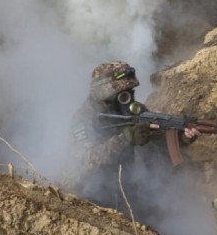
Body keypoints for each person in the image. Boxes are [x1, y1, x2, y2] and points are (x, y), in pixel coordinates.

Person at [64, 61, 199, 210]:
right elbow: (85, 163)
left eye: (130, 92)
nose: (129, 99)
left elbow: (156, 143)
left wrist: (181, 139)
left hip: (129, 186)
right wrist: (125, 139)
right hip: (91, 194)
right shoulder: (84, 119)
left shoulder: (133, 110)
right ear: (106, 97)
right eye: (123, 95)